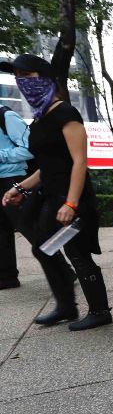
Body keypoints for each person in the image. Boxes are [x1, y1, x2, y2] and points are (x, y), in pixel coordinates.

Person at [0, 54, 112, 331]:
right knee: (42, 248)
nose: (22, 82)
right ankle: (66, 306)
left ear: (46, 78)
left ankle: (99, 310)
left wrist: (72, 202)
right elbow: (47, 167)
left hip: (71, 198)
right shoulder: (39, 120)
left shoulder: (66, 113)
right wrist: (20, 187)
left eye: (27, 76)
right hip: (50, 195)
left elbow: (79, 161)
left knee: (77, 253)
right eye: (17, 77)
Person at [0, 104, 33, 289]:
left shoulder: (7, 116)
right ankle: (6, 277)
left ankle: (64, 271)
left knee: (28, 226)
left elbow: (30, 148)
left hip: (13, 178)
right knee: (1, 231)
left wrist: (1, 155)